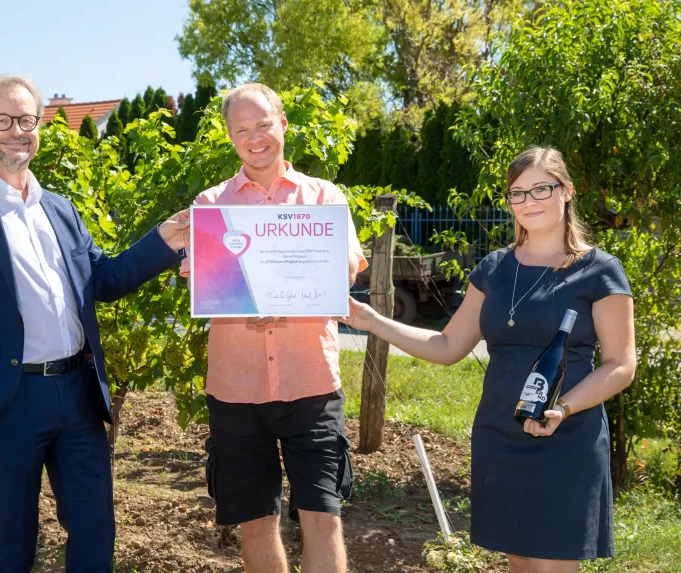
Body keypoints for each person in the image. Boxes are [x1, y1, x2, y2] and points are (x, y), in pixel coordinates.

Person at [0, 74, 189, 573]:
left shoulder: (59, 207)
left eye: (27, 119)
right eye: (2, 119)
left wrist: (162, 241)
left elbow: (100, 280)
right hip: (6, 398)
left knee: (95, 532)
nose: (17, 129)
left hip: (78, 394)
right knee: (12, 541)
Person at [341, 146, 636, 573]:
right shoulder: (495, 268)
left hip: (565, 436)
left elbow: (620, 365)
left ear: (566, 191)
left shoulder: (599, 270)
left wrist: (563, 408)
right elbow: (447, 346)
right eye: (517, 193)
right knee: (518, 563)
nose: (528, 202)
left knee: (552, 565)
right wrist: (371, 320)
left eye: (541, 189)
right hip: (499, 433)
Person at [180, 83, 367, 573]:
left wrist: (282, 290)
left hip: (312, 384)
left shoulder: (323, 196)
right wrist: (246, 300)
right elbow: (203, 280)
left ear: (283, 124)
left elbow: (347, 264)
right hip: (236, 389)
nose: (254, 137)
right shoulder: (211, 202)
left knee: (322, 517)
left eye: (262, 124)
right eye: (241, 129)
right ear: (230, 137)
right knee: (256, 520)